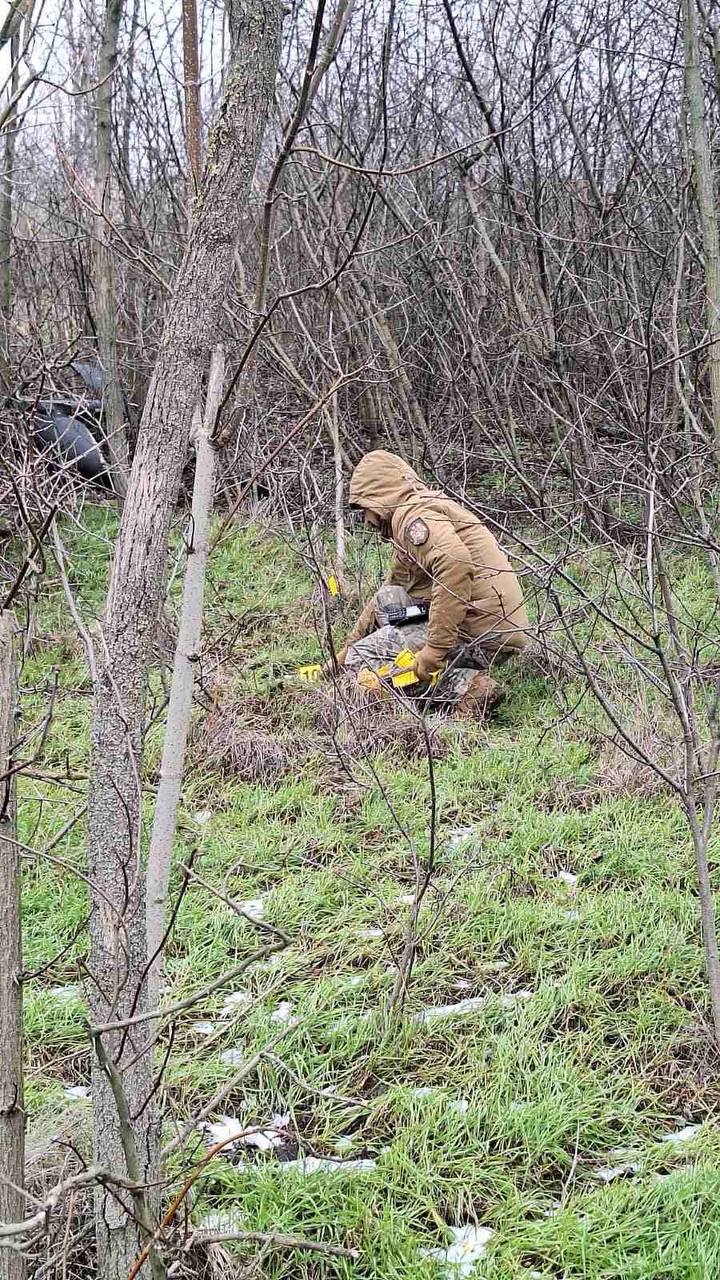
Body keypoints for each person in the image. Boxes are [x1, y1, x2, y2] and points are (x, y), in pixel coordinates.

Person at [328, 449, 530, 715]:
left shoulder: (413, 517)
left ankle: (465, 687)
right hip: (488, 625)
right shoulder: (418, 511)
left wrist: (434, 650)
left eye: (364, 508)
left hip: (480, 634)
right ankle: (453, 669)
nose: (366, 520)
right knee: (389, 604)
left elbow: (455, 564)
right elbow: (387, 595)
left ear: (378, 495)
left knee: (362, 659)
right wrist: (342, 653)